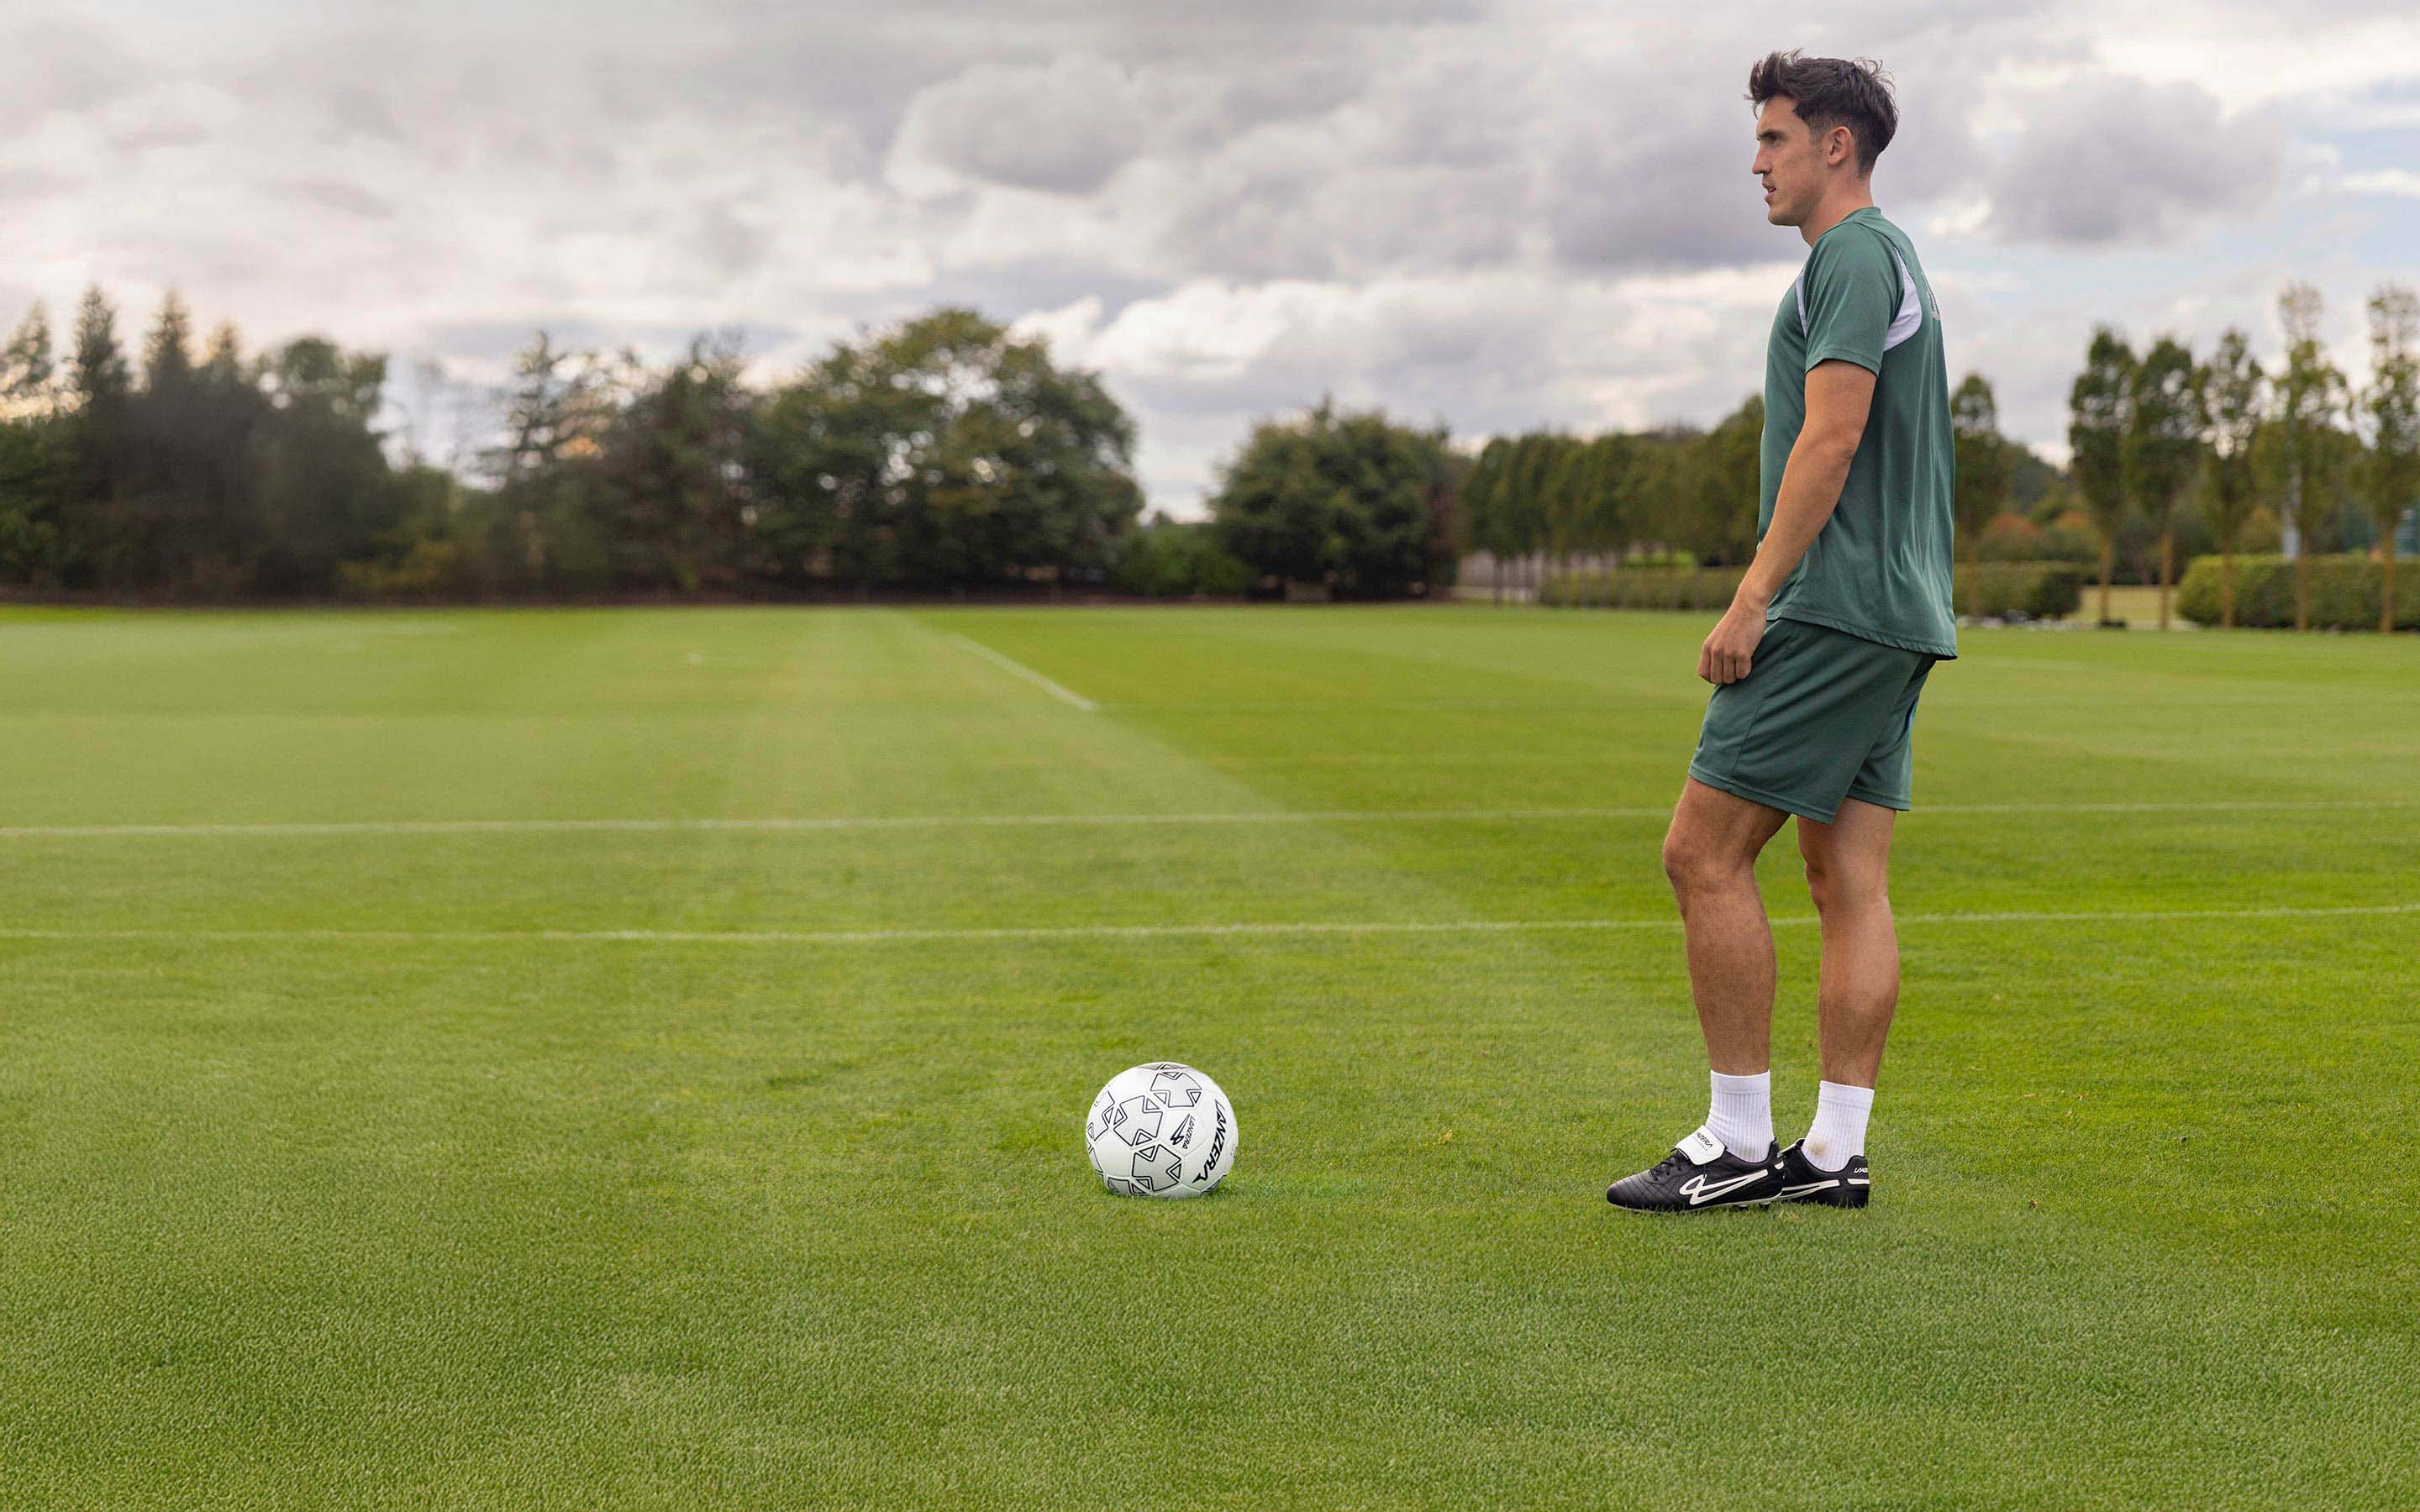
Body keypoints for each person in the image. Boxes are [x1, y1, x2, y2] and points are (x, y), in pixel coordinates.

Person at [1607, 50, 1958, 1213]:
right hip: (1902, 616)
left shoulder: (1853, 254)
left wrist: (1755, 594)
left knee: (1701, 853)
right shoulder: (1886, 258)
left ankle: (1737, 1140)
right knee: (1844, 873)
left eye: (1773, 139)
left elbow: (1831, 435)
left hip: (1833, 608)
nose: (1756, 161)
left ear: (1835, 147)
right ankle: (1831, 1152)